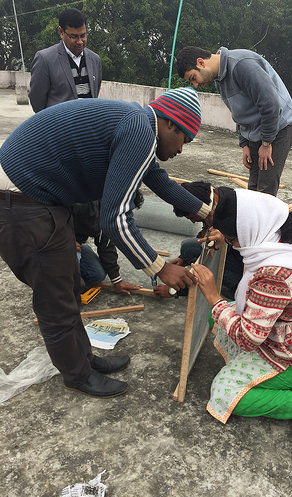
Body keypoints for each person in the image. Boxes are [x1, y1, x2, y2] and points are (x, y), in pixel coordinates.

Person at [0, 87, 211, 398]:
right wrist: (161, 267)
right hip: (22, 199)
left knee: (71, 284)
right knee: (55, 297)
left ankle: (84, 360)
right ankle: (77, 376)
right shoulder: (140, 130)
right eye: (185, 139)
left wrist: (205, 212)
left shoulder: (137, 124)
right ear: (170, 124)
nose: (182, 149)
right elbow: (114, 219)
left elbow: (158, 178)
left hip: (38, 196)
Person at [192, 188, 292, 457]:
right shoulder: (283, 233)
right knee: (218, 318)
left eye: (234, 238)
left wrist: (212, 294)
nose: (234, 244)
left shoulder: (274, 274)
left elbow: (247, 338)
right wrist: (227, 235)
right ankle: (270, 379)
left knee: (223, 392)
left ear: (248, 228)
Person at [176, 46, 292, 197]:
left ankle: (265, 220)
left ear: (201, 63)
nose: (195, 84)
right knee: (254, 186)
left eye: (193, 78)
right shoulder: (220, 79)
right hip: (255, 131)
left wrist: (267, 143)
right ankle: (253, 220)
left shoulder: (242, 64)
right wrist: (245, 143)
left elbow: (271, 105)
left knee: (265, 190)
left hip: (278, 127)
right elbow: (239, 112)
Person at [153, 181, 243, 300]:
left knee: (206, 252)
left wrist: (176, 290)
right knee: (189, 248)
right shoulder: (213, 199)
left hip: (247, 263)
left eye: (193, 217)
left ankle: (240, 286)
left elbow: (208, 259)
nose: (193, 222)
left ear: (197, 208)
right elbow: (205, 234)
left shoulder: (230, 215)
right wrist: (184, 259)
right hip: (235, 251)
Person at [28, 8, 102, 113]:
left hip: (88, 127)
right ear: (61, 32)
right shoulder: (45, 59)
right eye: (74, 36)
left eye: (83, 35)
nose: (80, 42)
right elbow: (37, 101)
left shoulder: (95, 60)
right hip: (58, 128)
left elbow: (95, 93)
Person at [72, 197, 143, 293]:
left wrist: (117, 280)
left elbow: (106, 245)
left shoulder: (108, 216)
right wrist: (64, 240)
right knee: (71, 283)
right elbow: (48, 219)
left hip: (75, 244)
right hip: (52, 243)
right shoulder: (85, 205)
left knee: (96, 274)